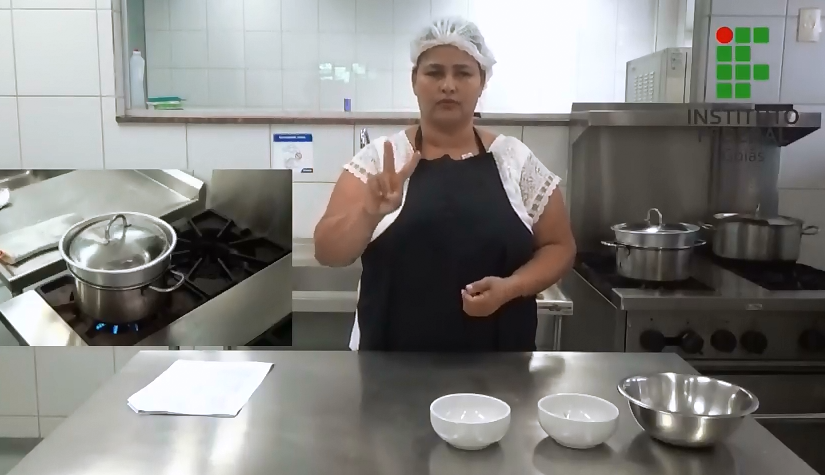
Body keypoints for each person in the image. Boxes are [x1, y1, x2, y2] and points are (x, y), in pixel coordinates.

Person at [314, 17, 576, 352]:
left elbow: (560, 246)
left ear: (482, 82)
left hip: (501, 371)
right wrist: (368, 214)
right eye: (434, 72)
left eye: (463, 73)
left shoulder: (514, 160)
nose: (448, 85)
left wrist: (511, 287)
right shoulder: (381, 159)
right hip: (389, 370)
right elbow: (327, 253)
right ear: (414, 80)